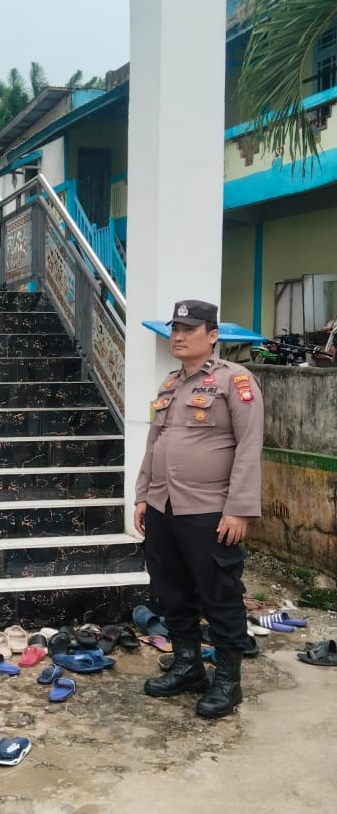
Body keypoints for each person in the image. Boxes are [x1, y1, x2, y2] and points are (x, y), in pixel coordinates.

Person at [134, 299, 264, 720]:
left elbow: (248, 447)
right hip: (162, 507)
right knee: (172, 592)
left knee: (221, 596)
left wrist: (239, 509)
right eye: (175, 328)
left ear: (212, 336)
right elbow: (154, 444)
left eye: (189, 329)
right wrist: (141, 496)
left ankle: (228, 680)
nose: (178, 335)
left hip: (210, 510)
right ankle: (188, 666)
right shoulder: (169, 383)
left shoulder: (235, 380)